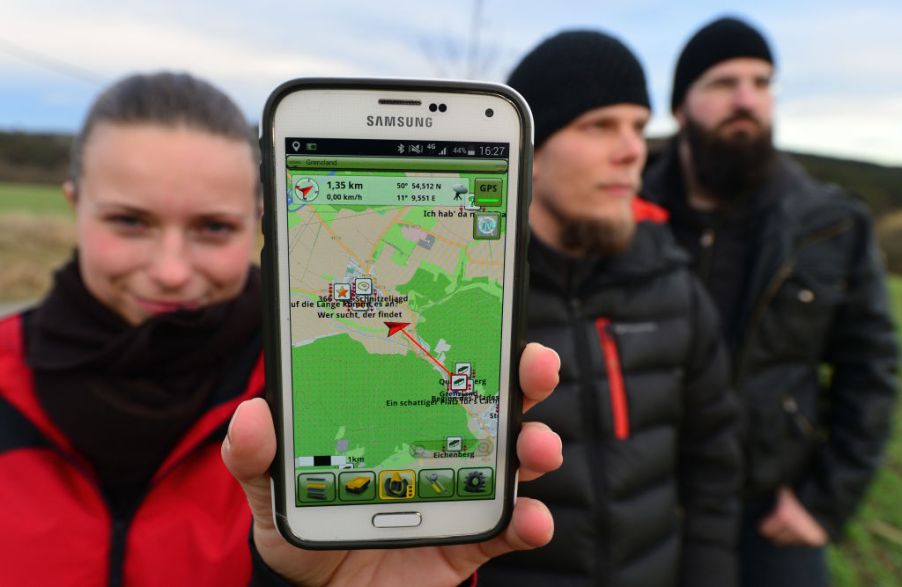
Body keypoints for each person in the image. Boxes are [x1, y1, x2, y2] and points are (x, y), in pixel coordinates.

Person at [0, 71, 565, 586]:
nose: (170, 270)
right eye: (129, 221)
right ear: (74, 205)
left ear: (260, 220)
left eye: (214, 228)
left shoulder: (317, 378)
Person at [477, 31, 743, 587]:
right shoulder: (465, 298)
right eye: (600, 125)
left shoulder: (674, 285)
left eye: (638, 127)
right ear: (531, 154)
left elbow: (714, 460)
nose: (632, 150)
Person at [643, 16, 899, 587]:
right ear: (681, 107)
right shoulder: (625, 213)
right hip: (644, 501)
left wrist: (826, 502)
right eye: (722, 83)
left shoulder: (832, 224)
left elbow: (870, 367)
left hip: (768, 507)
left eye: (762, 83)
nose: (747, 100)